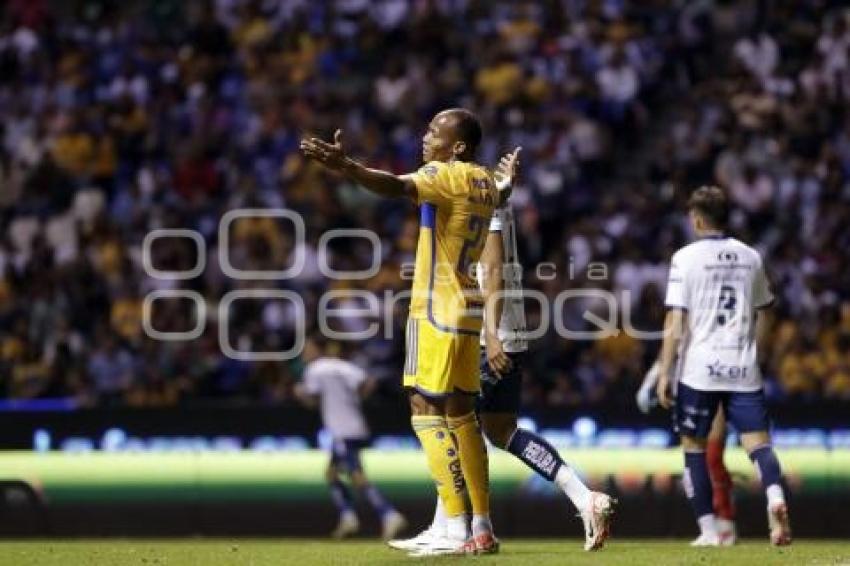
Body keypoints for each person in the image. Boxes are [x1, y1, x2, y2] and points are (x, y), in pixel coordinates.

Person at [301, 108, 505, 555]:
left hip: (436, 306)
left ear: (458, 147)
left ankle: (453, 526)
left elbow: (394, 186)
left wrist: (347, 167)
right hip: (468, 305)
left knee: (423, 406)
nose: (425, 135)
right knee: (462, 415)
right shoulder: (486, 181)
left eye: (435, 131)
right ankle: (481, 525)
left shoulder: (445, 174)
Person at [389, 153, 614, 555]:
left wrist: (491, 338)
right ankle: (584, 499)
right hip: (509, 332)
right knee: (500, 432)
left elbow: (490, 272)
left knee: (455, 425)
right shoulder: (492, 200)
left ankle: (459, 529)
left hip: (484, 332)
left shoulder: (479, 204)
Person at [656, 186, 791, 546]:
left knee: (694, 448)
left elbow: (676, 320)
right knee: (759, 444)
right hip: (742, 365)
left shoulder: (684, 258)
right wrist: (755, 351)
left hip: (700, 369)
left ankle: (709, 530)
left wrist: (664, 370)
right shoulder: (751, 256)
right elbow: (766, 312)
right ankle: (775, 496)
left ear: (697, 219)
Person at [295, 338, 407, 540]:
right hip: (354, 425)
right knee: (332, 473)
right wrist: (354, 401)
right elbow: (369, 382)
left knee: (356, 475)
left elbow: (311, 402)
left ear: (317, 349)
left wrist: (300, 394)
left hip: (341, 430)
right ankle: (349, 517)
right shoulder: (342, 366)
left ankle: (389, 514)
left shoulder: (315, 369)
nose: (304, 353)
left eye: (307, 349)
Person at [637, 361, 737, 544]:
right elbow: (671, 344)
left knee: (713, 458)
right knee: (694, 458)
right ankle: (709, 526)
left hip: (716, 381)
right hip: (687, 388)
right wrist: (651, 378)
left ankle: (725, 520)